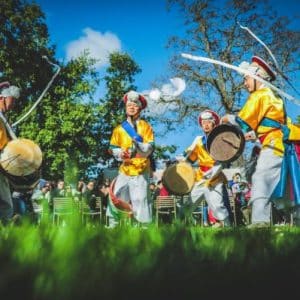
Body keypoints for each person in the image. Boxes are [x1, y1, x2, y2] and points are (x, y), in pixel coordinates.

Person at [221, 55, 300, 227]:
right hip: (281, 145)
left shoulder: (260, 95)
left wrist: (228, 118)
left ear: (258, 76)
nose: (244, 83)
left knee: (260, 179)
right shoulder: (274, 97)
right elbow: (271, 124)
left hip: (273, 145)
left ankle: (260, 221)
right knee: (286, 189)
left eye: (246, 78)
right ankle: (297, 219)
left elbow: (243, 121)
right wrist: (255, 135)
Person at [106, 90, 155, 227]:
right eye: (129, 105)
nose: (132, 107)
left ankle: (144, 226)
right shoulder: (119, 129)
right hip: (125, 169)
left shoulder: (146, 127)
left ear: (139, 108)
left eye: (135, 105)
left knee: (141, 199)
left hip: (140, 169)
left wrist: (138, 145)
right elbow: (113, 148)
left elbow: (150, 148)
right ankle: (113, 224)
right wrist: (119, 153)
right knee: (116, 196)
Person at [183, 109, 231, 227]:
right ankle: (180, 225)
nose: (206, 125)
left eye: (208, 122)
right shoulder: (198, 141)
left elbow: (226, 159)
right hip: (200, 177)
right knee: (189, 203)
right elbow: (190, 158)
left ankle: (228, 227)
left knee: (217, 205)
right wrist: (182, 163)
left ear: (214, 124)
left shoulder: (220, 139)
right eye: (203, 123)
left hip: (215, 176)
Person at [0, 81, 21, 224]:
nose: (13, 106)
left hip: (3, 162)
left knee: (6, 198)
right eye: (11, 101)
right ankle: (7, 223)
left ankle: (6, 224)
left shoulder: (4, 119)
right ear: (2, 98)